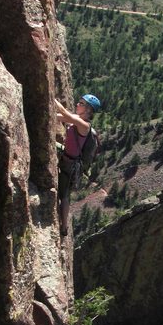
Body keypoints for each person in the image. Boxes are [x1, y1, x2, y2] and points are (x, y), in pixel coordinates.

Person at [55, 94, 101, 237]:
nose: (77, 104)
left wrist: (51, 99)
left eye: (81, 103)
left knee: (64, 195)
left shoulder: (84, 125)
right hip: (66, 155)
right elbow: (60, 116)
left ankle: (64, 227)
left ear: (88, 109)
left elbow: (65, 114)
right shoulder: (78, 120)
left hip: (70, 164)